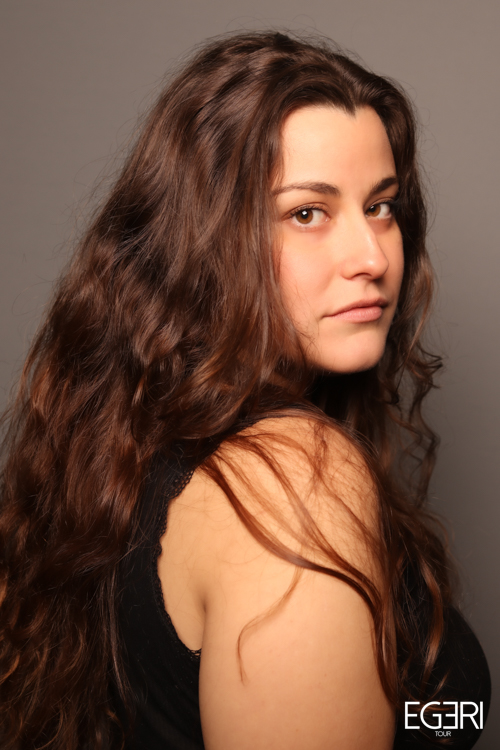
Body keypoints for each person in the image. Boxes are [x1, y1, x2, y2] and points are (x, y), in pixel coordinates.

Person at [0, 31, 490, 750]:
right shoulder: (291, 481)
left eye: (381, 206)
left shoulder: (123, 448)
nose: (372, 256)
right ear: (205, 241)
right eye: (307, 213)